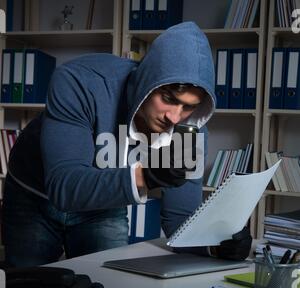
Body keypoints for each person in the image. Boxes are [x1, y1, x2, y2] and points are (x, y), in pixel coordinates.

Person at [1, 22, 252, 268]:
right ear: (147, 82)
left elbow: (180, 219)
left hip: (104, 204)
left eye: (188, 106)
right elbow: (64, 186)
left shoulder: (189, 130)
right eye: (168, 99)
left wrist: (214, 244)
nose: (174, 117)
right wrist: (148, 175)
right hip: (34, 194)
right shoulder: (80, 82)